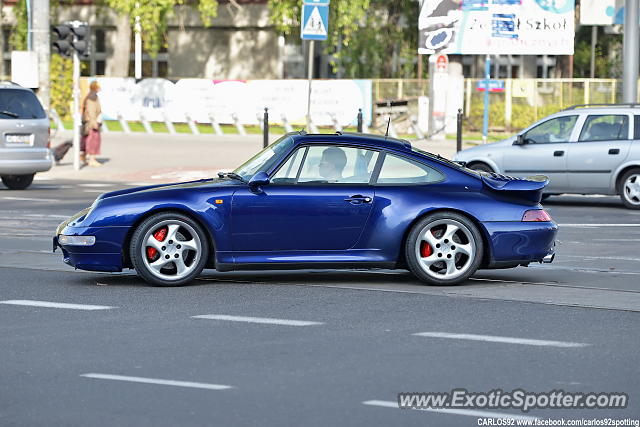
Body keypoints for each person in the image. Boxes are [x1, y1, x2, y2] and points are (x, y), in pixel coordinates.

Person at [81, 81, 103, 167]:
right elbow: (91, 111)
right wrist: (94, 123)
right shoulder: (92, 97)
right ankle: (92, 160)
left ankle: (83, 156)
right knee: (93, 141)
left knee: (87, 140)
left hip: (90, 122)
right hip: (91, 123)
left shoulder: (92, 95)